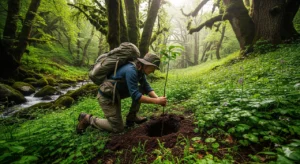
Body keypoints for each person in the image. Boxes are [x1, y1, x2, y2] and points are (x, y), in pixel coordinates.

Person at [76, 53, 167, 133]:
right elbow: (136, 96)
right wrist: (157, 101)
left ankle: (132, 117)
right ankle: (87, 119)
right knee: (117, 128)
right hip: (107, 96)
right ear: (147, 64)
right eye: (154, 67)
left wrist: (157, 98)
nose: (154, 70)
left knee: (141, 88)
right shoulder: (131, 70)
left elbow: (147, 87)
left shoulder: (140, 71)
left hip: (116, 93)